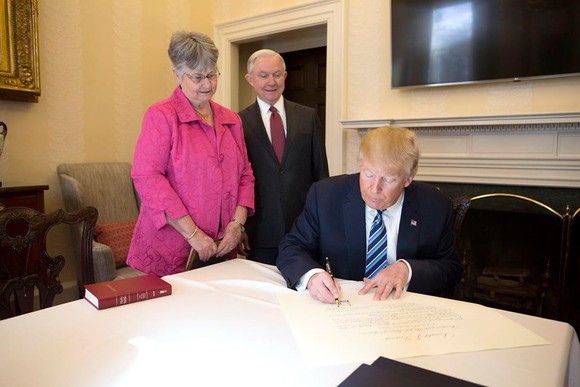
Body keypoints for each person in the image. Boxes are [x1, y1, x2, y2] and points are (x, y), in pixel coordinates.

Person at [276, 125, 462, 303]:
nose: (374, 189)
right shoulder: (325, 196)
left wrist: (408, 270)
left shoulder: (435, 206)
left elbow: (451, 268)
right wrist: (311, 276)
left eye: (388, 179)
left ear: (408, 179)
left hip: (404, 310)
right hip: (341, 305)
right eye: (368, 174)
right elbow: (291, 247)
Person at [127, 31, 255, 276]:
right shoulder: (161, 116)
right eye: (197, 77)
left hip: (221, 247)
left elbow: (245, 174)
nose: (207, 84)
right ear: (177, 74)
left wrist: (237, 225)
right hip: (172, 247)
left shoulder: (231, 120)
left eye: (211, 74)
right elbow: (147, 178)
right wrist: (193, 234)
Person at [237, 49, 329, 265]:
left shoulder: (307, 116)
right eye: (263, 75)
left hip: (304, 229)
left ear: (285, 76)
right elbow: (237, 178)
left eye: (277, 74)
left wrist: (323, 223)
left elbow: (321, 173)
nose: (272, 81)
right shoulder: (238, 122)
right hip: (259, 232)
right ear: (250, 79)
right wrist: (238, 226)